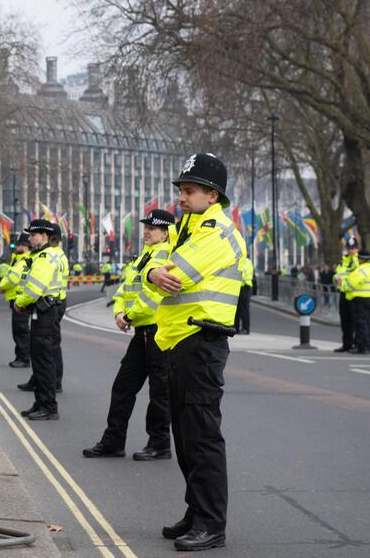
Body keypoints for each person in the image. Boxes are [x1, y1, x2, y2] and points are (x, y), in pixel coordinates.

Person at [144, 153, 244, 552]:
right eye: (181, 190)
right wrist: (151, 272)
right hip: (178, 342)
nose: (181, 198)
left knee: (202, 438)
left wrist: (155, 272)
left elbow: (174, 277)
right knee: (185, 438)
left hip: (201, 343)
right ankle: (195, 511)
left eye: (189, 191)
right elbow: (152, 275)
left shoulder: (215, 234)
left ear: (212, 195)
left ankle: (211, 523)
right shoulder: (187, 228)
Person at [83, 209, 174, 461]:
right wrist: (119, 312)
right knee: (123, 387)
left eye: (152, 228)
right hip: (141, 332)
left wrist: (129, 316)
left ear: (165, 232)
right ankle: (113, 442)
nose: (146, 231)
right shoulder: (144, 257)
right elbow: (125, 288)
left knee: (159, 392)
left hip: (157, 331)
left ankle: (159, 444)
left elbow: (155, 295)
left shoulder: (167, 255)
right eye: (145, 226)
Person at [15, 219, 67, 420]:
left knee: (43, 360)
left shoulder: (45, 257)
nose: (30, 238)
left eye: (33, 235)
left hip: (45, 312)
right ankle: (40, 403)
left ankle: (48, 407)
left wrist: (19, 302)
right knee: (39, 359)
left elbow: (35, 287)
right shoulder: (45, 255)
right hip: (44, 311)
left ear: (44, 236)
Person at [0, 233, 32, 368]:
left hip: (20, 299)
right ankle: (20, 356)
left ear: (24, 246)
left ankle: (24, 358)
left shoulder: (23, 260)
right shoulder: (18, 259)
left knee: (21, 329)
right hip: (17, 298)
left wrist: (2, 286)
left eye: (19, 245)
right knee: (18, 330)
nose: (16, 247)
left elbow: (14, 277)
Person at [339, 250, 370, 355]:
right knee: (368, 323)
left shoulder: (360, 270)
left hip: (360, 299)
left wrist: (341, 286)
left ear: (360, 259)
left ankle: (362, 347)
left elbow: (349, 285)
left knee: (361, 324)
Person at [333, 238, 360, 352]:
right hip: (344, 293)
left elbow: (357, 276)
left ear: (357, 248)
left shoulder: (359, 260)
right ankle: (347, 344)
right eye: (349, 248)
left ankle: (358, 344)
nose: (351, 250)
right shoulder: (343, 261)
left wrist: (343, 280)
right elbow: (337, 275)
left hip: (355, 294)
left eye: (353, 248)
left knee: (357, 320)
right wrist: (336, 279)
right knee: (345, 320)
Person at [235, 254, 254, 335]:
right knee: (237, 309)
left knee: (244, 310)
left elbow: (242, 273)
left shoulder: (245, 262)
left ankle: (245, 329)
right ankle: (236, 328)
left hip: (244, 287)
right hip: (239, 286)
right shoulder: (246, 261)